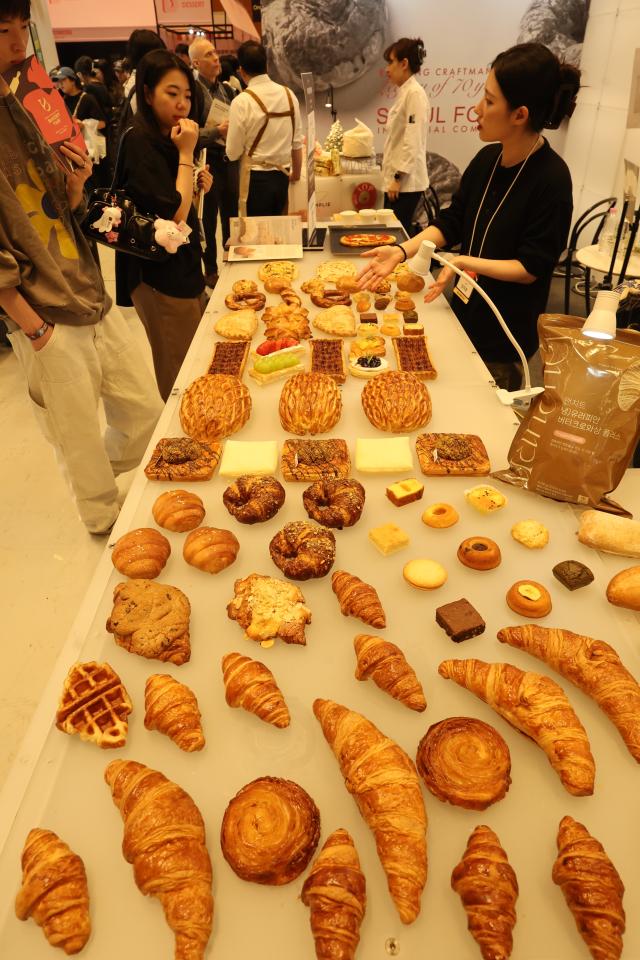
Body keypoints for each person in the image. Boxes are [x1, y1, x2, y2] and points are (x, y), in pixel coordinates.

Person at [0, 0, 162, 535]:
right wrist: (32, 326)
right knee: (75, 434)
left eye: (23, 28)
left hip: (87, 287)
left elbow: (50, 206)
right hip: (41, 306)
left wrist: (73, 193)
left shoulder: (25, 101)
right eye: (4, 31)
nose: (18, 42)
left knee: (143, 414)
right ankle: (101, 523)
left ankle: (94, 473)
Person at [358, 42, 580, 390]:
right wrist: (402, 251)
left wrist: (463, 261)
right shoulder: (487, 160)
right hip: (464, 315)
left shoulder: (551, 179)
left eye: (490, 102)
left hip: (503, 338)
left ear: (519, 114)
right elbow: (451, 222)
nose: (477, 109)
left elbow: (531, 268)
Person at [115, 49, 213, 401]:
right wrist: (187, 155)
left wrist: (196, 183)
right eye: (172, 93)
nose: (182, 104)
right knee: (181, 375)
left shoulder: (164, 137)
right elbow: (173, 219)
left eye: (187, 95)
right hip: (157, 276)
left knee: (195, 360)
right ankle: (181, 448)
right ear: (146, 93)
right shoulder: (140, 141)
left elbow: (180, 207)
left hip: (180, 267)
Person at [225, 40, 302, 217]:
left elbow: (232, 152)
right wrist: (296, 174)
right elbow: (296, 143)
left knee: (257, 238)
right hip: (283, 176)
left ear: (241, 71)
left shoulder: (241, 101)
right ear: (267, 65)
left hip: (254, 180)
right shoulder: (289, 95)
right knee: (280, 236)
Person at [189, 36, 239, 287]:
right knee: (207, 220)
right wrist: (216, 131)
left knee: (231, 217)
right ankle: (210, 271)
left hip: (229, 161)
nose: (216, 58)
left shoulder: (227, 89)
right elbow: (188, 133)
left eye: (215, 53)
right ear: (196, 63)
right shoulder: (192, 93)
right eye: (208, 54)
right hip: (206, 163)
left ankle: (231, 262)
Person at [381, 37, 429, 236]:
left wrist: (398, 178)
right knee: (390, 235)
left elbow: (412, 140)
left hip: (404, 185)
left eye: (390, 62)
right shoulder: (405, 92)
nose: (387, 69)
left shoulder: (415, 94)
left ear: (404, 63)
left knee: (395, 238)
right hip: (398, 182)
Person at [57, 66, 109, 187]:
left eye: (63, 80)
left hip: (88, 150)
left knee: (95, 182)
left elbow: (103, 123)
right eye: (58, 81)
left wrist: (84, 124)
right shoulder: (61, 101)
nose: (60, 84)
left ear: (73, 80)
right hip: (71, 150)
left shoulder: (87, 98)